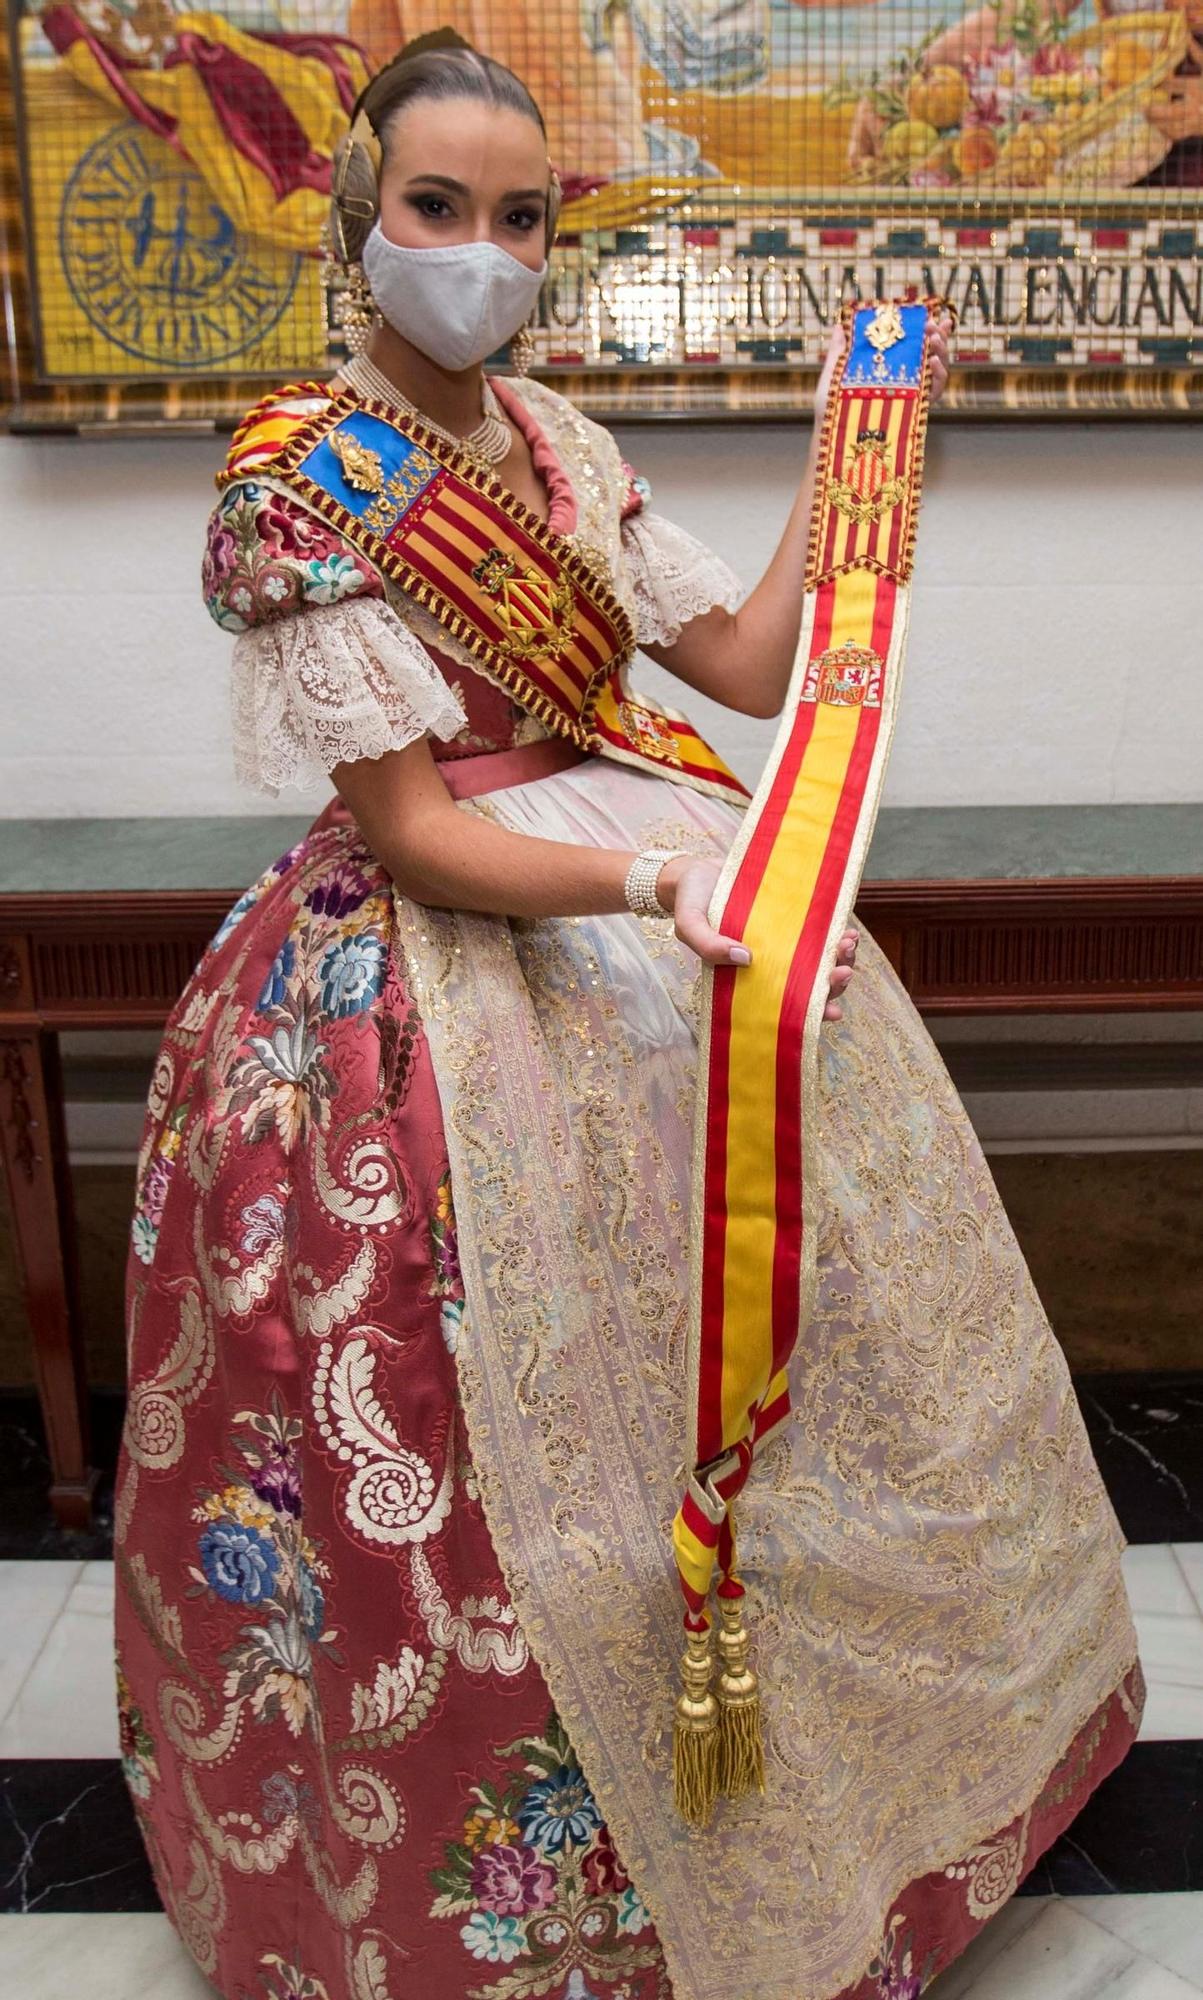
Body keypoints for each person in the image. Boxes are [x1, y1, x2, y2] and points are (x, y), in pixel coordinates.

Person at [114, 32, 1143, 2000]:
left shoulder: (563, 450)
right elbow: (410, 829)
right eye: (440, 208)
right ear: (360, 210)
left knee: (801, 1354)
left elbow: (741, 663)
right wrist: (658, 885)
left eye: (520, 217)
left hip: (646, 893)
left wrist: (860, 453)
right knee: (500, 1422)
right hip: (431, 983)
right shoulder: (297, 479)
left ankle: (831, 1789)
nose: (482, 253)